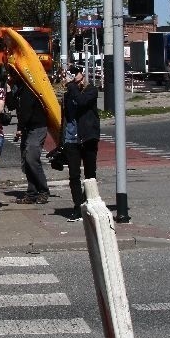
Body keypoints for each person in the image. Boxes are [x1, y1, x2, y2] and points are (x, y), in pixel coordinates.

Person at [62, 65, 100, 222]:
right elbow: (66, 115)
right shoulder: (69, 92)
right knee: (74, 175)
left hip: (88, 136)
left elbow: (82, 101)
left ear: (82, 74)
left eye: (75, 73)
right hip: (72, 137)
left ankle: (88, 203)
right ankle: (77, 205)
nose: (72, 77)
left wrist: (71, 86)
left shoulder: (91, 90)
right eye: (70, 74)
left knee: (90, 174)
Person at [12, 70, 50, 204]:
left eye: (15, 75)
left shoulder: (29, 90)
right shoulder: (19, 90)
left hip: (36, 127)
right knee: (26, 162)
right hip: (28, 129)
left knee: (31, 159)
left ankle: (43, 190)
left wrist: (20, 128)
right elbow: (11, 105)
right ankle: (32, 192)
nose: (12, 77)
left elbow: (26, 112)